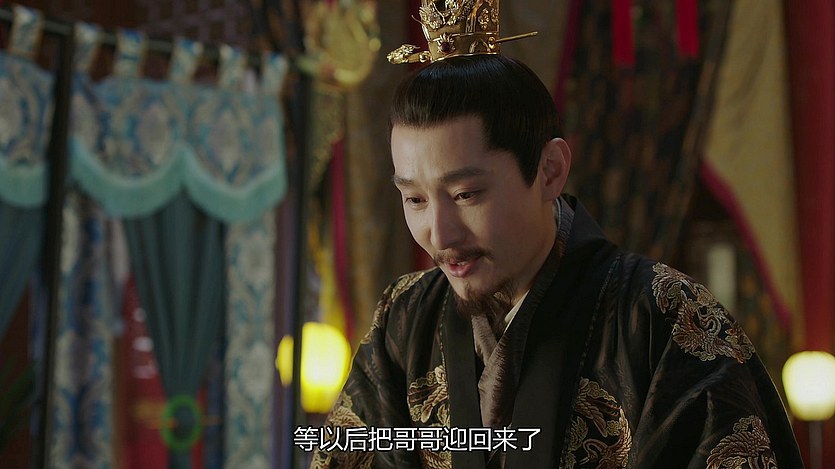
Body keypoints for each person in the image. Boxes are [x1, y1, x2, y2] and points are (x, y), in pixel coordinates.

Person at [308, 2, 804, 468]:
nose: (439, 235)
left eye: (465, 194)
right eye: (415, 200)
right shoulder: (405, 318)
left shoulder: (666, 317)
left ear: (549, 171)